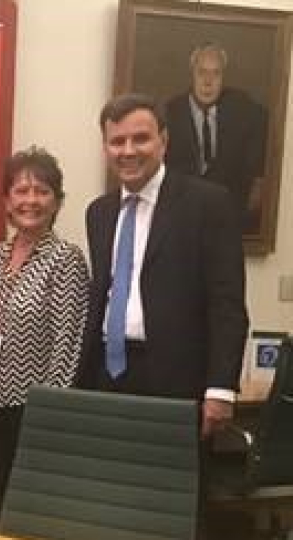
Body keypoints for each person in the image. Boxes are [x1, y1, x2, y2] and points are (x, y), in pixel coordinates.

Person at [79, 93, 248, 440]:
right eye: (117, 141)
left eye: (140, 138)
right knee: (105, 487)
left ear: (164, 141)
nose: (128, 150)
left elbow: (226, 303)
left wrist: (220, 388)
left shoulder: (208, 204)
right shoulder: (99, 212)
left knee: (172, 491)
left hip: (177, 383)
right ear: (105, 147)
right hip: (106, 377)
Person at [0, 147, 89, 532]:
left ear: (57, 202)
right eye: (21, 191)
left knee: (30, 512)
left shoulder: (66, 260)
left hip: (30, 407)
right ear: (7, 200)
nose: (30, 201)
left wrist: (49, 411)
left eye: (42, 191)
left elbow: (67, 346)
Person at [164, 42, 268, 233]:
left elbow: (268, 131)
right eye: (202, 72)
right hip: (181, 215)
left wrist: (259, 181)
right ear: (192, 74)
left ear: (223, 77)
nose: (208, 81)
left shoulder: (243, 110)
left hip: (229, 213)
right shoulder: (171, 112)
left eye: (216, 73)